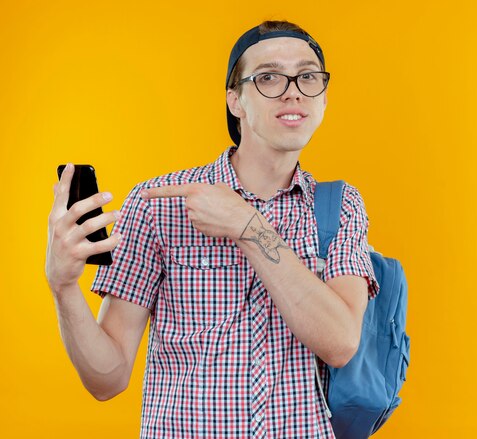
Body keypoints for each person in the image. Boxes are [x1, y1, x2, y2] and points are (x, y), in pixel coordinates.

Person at [46, 20, 378, 438]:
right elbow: (107, 379)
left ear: (324, 98)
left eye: (308, 76)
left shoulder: (340, 206)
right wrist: (63, 287)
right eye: (269, 77)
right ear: (234, 101)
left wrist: (247, 225)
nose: (293, 90)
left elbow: (341, 342)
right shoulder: (159, 206)